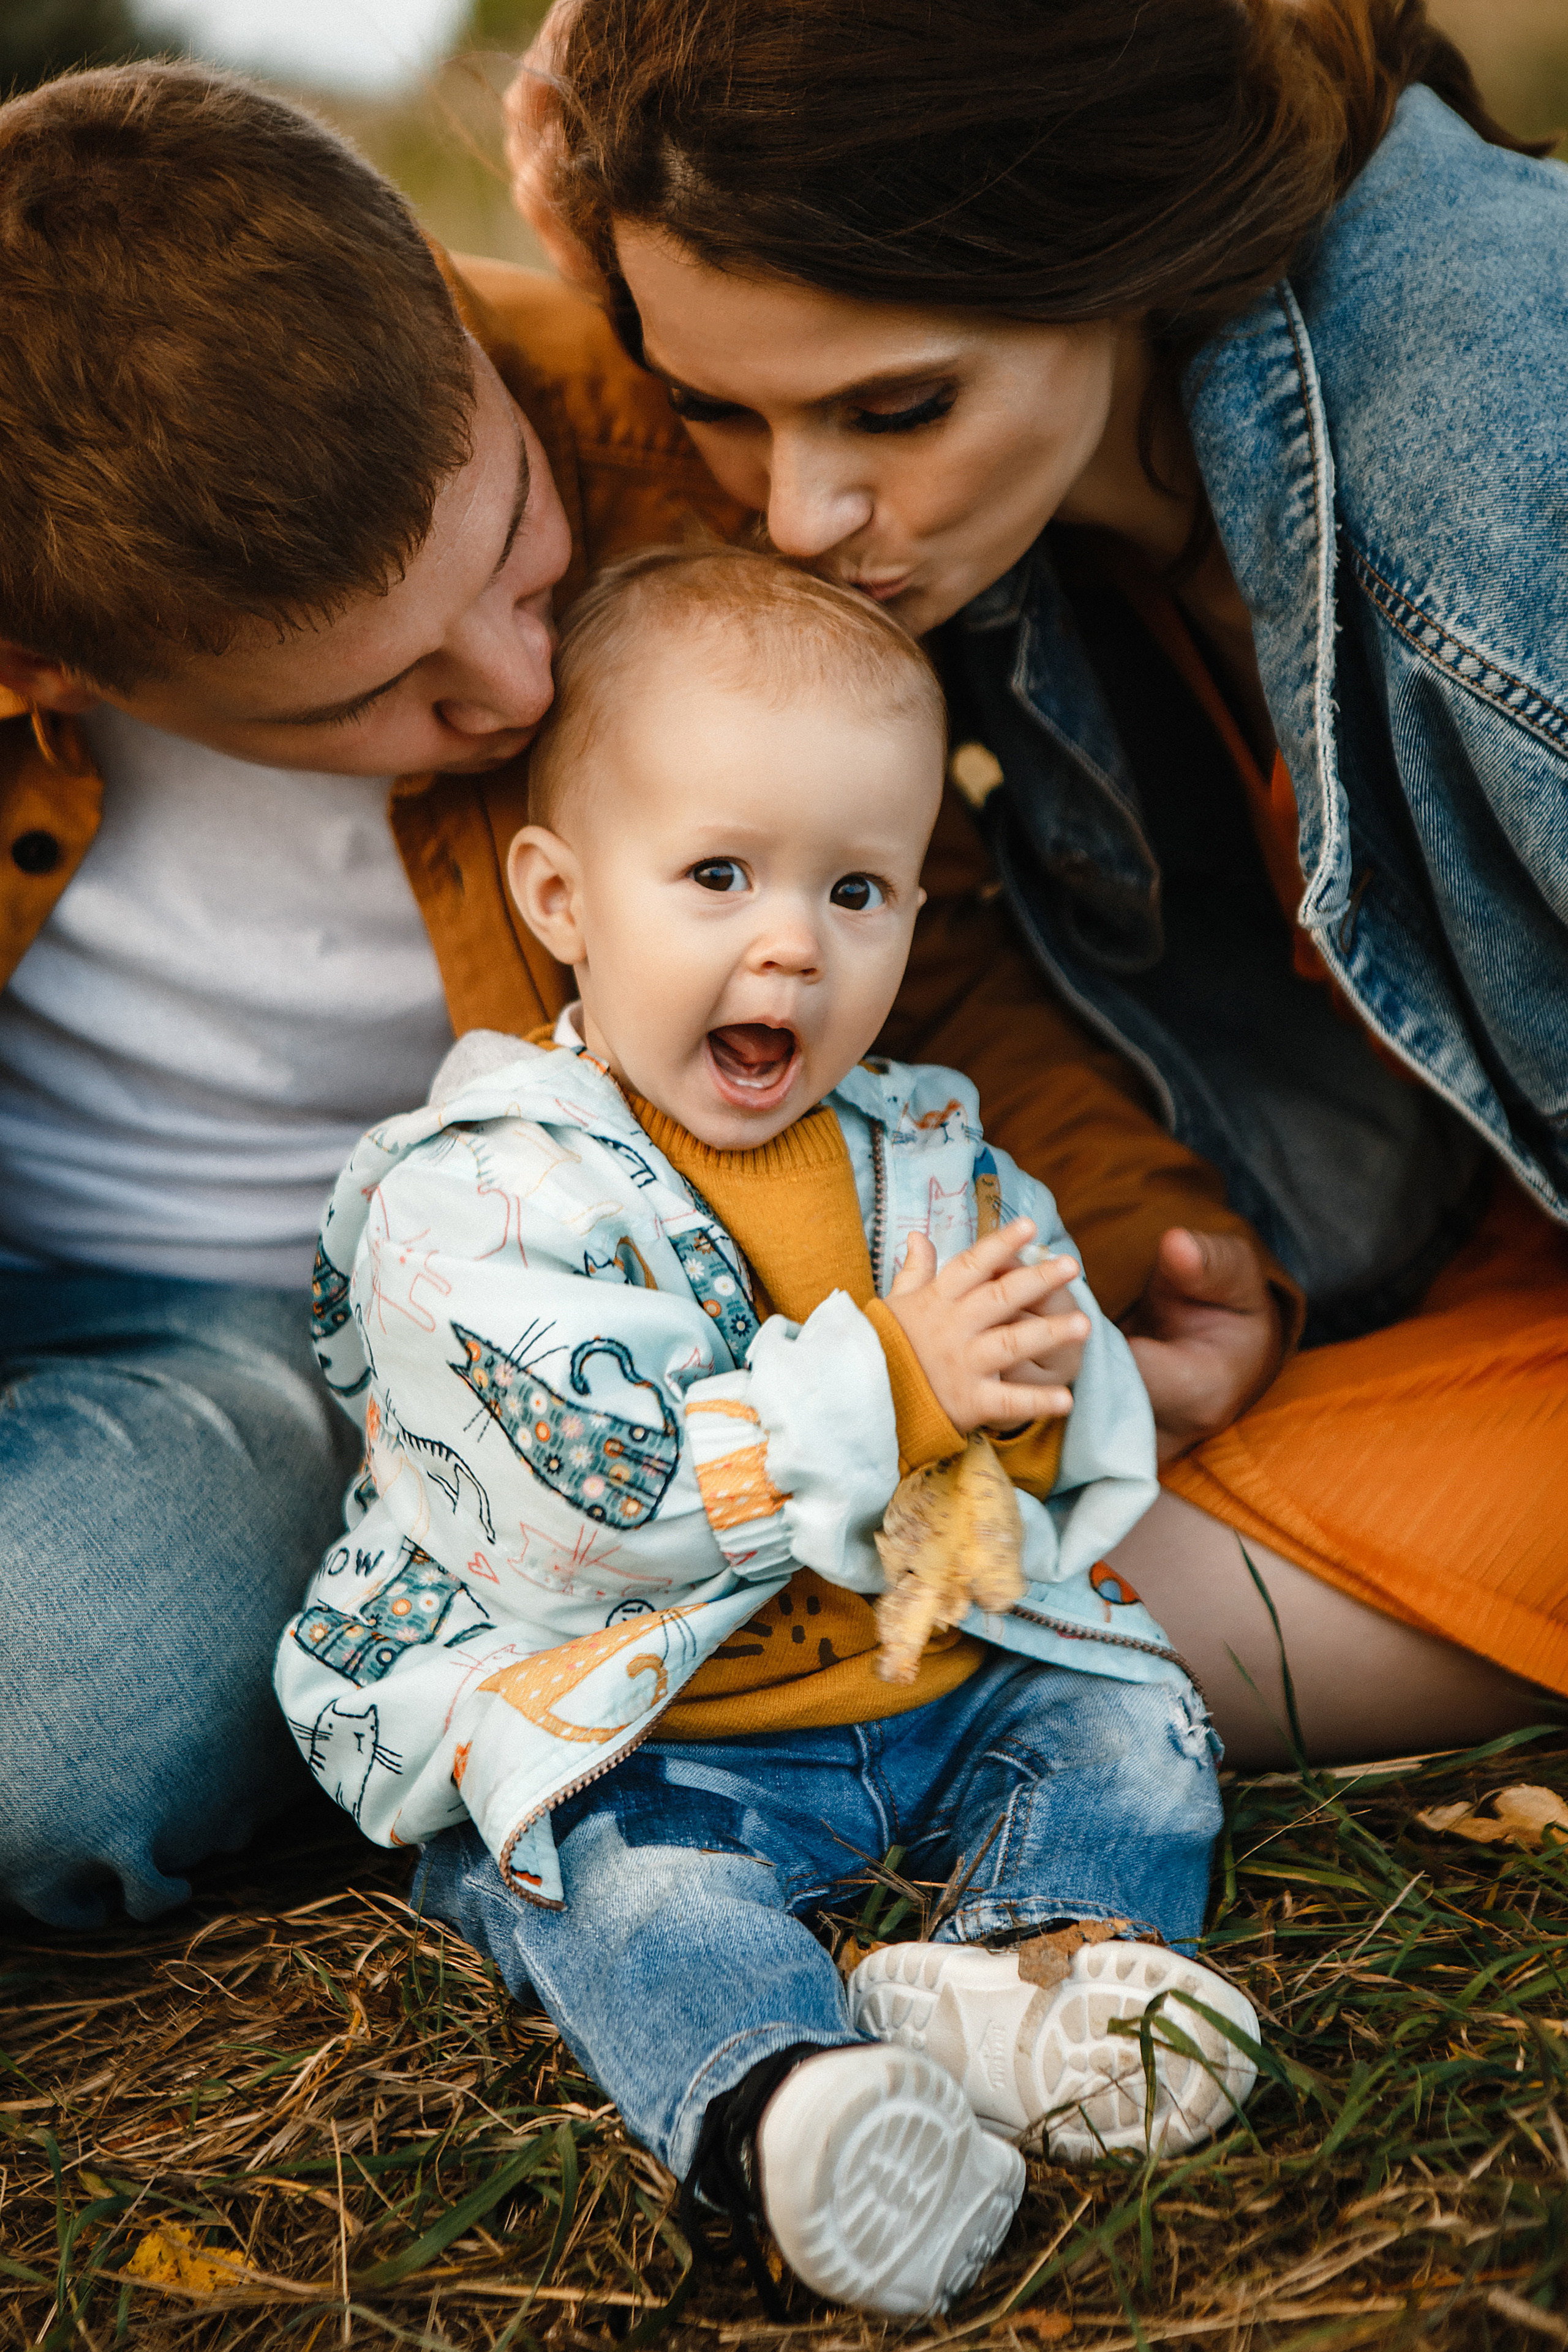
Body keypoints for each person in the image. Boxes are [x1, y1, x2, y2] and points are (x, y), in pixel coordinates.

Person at [0, 60, 1323, 1926]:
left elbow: (908, 936)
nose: (522, 690)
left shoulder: (666, 451)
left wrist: (1128, 1228)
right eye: (375, 700)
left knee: (38, 1711)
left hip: (306, 1353)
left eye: (518, 547)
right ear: (47, 664)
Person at [505, 0, 1568, 1766]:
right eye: (722, 410)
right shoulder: (1037, 432)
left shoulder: (1497, 478)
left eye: (895, 408)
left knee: (930, 1661)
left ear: (1124, 241)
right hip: (1477, 1267)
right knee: (879, 1594)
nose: (802, 518)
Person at [276, 546, 1259, 2319]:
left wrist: (1038, 1398)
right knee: (628, 1896)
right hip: (655, 1727)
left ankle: (1032, 1968)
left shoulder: (930, 1148)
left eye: (860, 889)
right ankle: (792, 2105)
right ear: (563, 897)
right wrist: (897, 1385)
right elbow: (595, 1505)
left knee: (1128, 1719)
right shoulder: (478, 1203)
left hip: (922, 1684)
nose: (794, 941)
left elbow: (1046, 1421)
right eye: (720, 873)